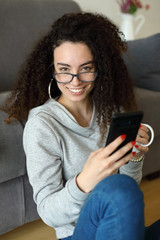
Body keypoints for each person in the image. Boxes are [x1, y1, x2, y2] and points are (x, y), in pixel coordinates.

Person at [3, 12, 160, 240]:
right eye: (64, 69)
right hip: (79, 234)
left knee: (122, 188)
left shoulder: (112, 111)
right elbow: (48, 213)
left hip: (121, 230)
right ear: (52, 69)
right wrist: (85, 180)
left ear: (99, 68)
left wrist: (134, 157)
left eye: (86, 68)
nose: (75, 81)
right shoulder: (42, 125)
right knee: (117, 189)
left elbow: (129, 187)